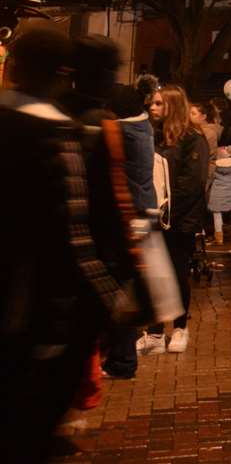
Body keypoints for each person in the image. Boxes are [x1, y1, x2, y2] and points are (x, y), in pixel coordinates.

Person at [0, 28, 135, 460]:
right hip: (31, 316)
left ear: (11, 66)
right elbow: (73, 237)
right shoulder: (62, 137)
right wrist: (115, 297)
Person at [140, 84, 209, 356]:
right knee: (155, 275)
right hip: (155, 215)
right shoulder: (154, 136)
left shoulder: (193, 139)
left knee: (177, 272)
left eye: (159, 103)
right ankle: (155, 331)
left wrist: (169, 211)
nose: (153, 108)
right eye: (152, 103)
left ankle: (179, 327)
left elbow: (193, 183)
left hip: (180, 221)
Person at [102, 82, 157, 381]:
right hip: (144, 213)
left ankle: (121, 360)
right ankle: (121, 355)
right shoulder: (144, 128)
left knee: (121, 288)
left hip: (130, 216)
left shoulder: (123, 134)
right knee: (128, 286)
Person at [208, 145, 231, 243]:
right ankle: (225, 232)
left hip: (216, 194)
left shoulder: (215, 167)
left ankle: (219, 236)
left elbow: (210, 180)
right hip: (228, 194)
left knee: (217, 214)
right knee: (226, 212)